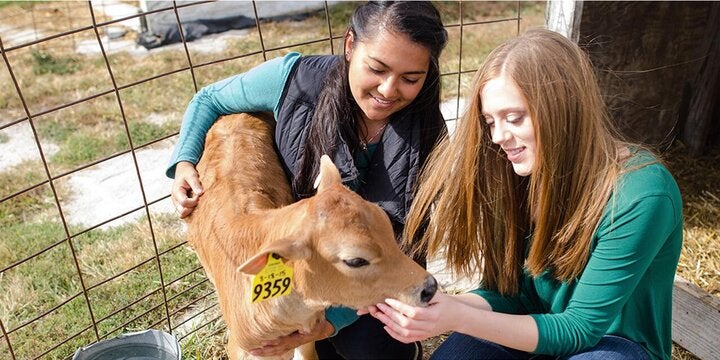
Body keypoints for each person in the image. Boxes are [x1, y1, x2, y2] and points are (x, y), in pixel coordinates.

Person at [363, 28, 683, 360]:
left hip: (612, 344)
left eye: (513, 118)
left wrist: (457, 316)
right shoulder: (518, 173)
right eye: (490, 122)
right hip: (532, 327)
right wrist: (437, 305)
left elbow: (579, 330)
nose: (499, 137)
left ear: (562, 109)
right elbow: (512, 296)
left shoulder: (642, 194)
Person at [166, 1, 448, 358]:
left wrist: (328, 324)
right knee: (270, 321)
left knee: (373, 347)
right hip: (306, 245)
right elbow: (208, 99)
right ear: (349, 47)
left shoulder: (428, 137)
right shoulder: (292, 81)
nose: (389, 90)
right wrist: (184, 162)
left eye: (411, 79)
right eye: (376, 69)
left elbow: (408, 242)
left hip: (372, 271)